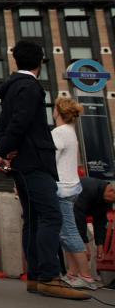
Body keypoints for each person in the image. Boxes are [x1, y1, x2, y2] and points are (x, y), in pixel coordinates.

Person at [0, 41, 89, 300]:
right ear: (40, 63)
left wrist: (6, 149)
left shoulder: (12, 88)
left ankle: (36, 277)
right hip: (35, 162)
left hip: (22, 163)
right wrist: (6, 150)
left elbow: (4, 126)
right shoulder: (31, 87)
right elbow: (22, 121)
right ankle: (48, 276)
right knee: (50, 216)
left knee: (34, 219)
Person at [52, 97, 95, 289]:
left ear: (58, 111)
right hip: (72, 186)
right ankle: (72, 273)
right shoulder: (70, 131)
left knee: (69, 232)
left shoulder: (59, 132)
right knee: (65, 232)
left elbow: (50, 160)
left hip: (61, 187)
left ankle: (86, 277)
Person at [74, 177, 115, 277]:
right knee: (78, 244)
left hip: (80, 216)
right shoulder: (89, 188)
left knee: (90, 248)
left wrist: (100, 246)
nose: (112, 202)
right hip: (69, 211)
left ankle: (86, 275)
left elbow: (100, 222)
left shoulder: (107, 197)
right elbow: (79, 217)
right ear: (111, 191)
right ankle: (77, 274)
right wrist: (84, 242)